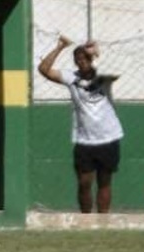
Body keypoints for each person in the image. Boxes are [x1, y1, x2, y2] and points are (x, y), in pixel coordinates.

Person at [38, 35, 123, 213]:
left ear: (91, 59)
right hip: (84, 140)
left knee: (104, 182)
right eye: (78, 60)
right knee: (84, 183)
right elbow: (44, 69)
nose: (82, 62)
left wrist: (97, 53)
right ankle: (85, 219)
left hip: (108, 137)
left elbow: (118, 71)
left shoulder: (103, 76)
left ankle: (103, 221)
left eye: (85, 58)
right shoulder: (71, 78)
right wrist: (60, 47)